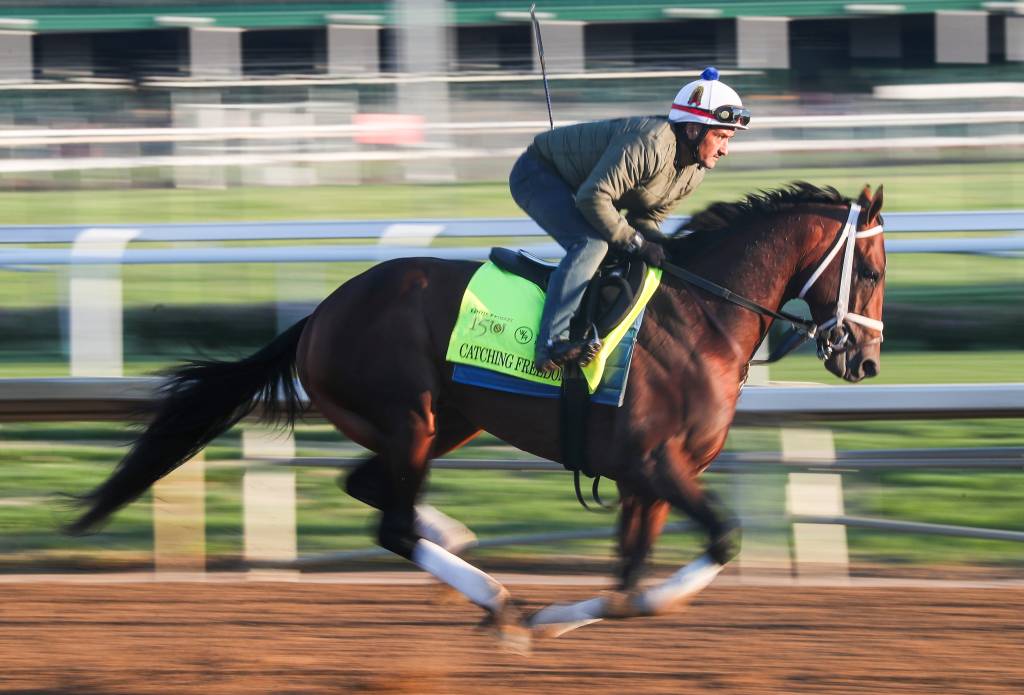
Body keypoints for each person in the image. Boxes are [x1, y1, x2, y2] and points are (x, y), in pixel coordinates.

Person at [509, 67, 750, 374]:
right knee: (591, 245)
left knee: (634, 253)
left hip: (585, 188)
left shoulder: (694, 171)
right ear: (692, 130)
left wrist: (666, 248)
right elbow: (593, 198)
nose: (725, 149)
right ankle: (551, 345)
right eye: (719, 136)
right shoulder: (649, 143)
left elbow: (646, 219)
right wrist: (636, 242)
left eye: (728, 138)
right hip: (538, 173)